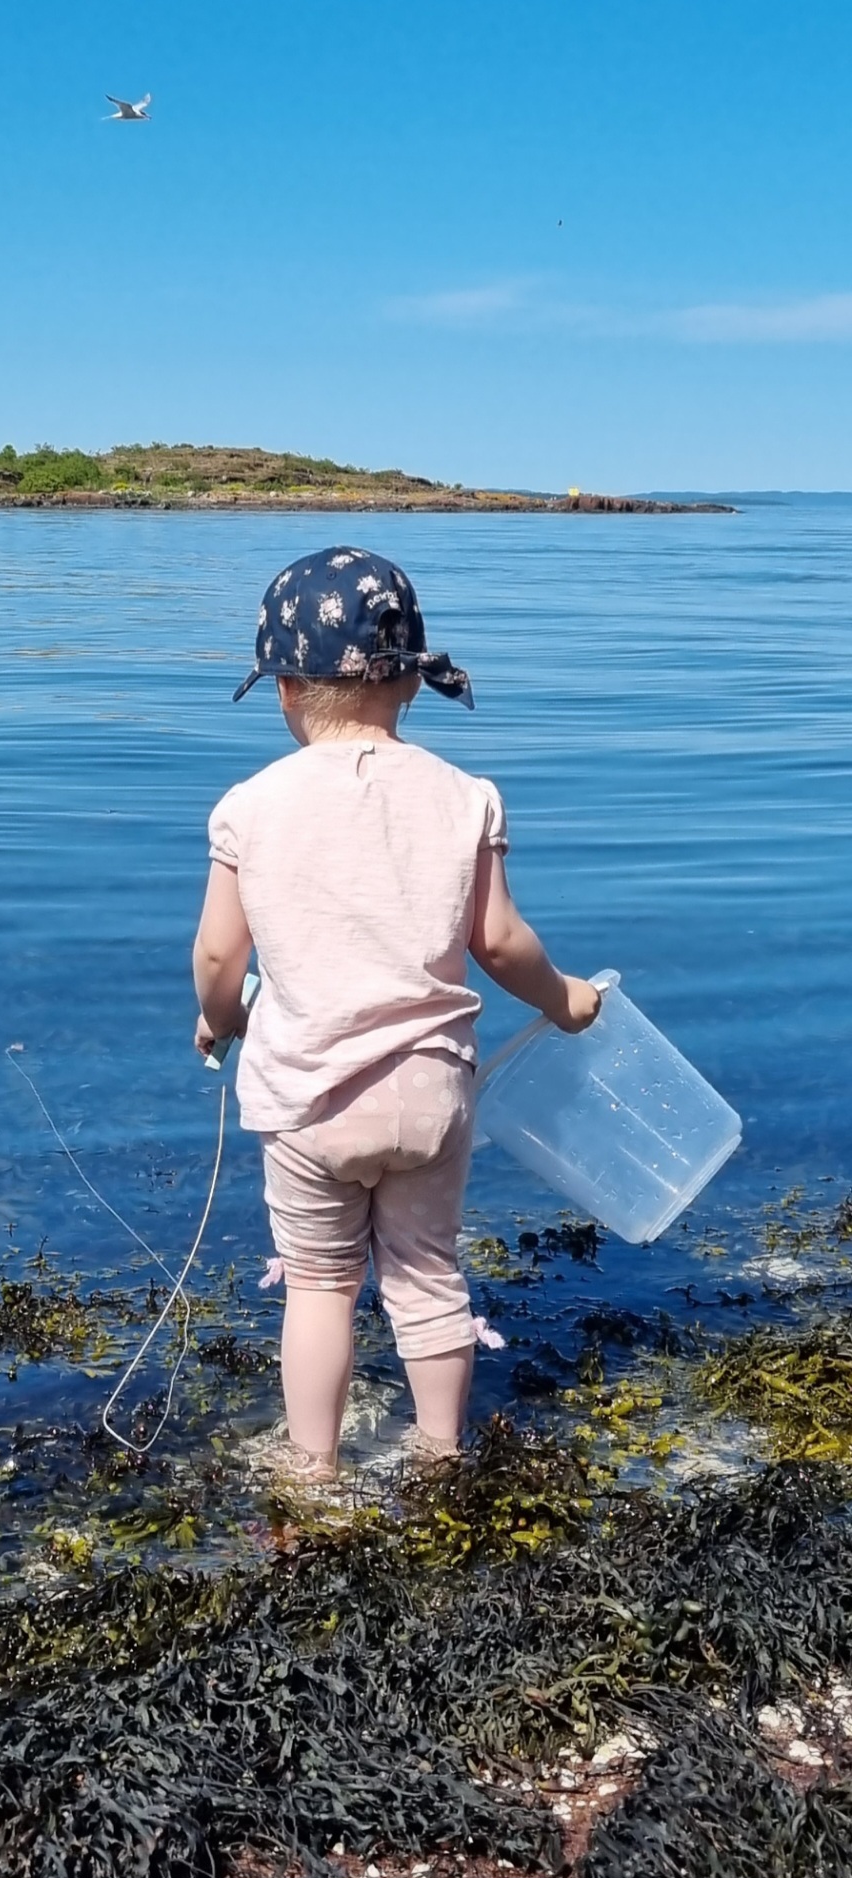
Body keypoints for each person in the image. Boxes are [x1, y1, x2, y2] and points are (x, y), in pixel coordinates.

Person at [192, 547, 599, 1483]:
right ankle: (440, 1455)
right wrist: (567, 1000)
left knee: (323, 1287)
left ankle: (312, 1467)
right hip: (430, 1097)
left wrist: (221, 1018)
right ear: (411, 681)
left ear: (288, 688)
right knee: (426, 1278)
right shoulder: (464, 796)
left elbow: (221, 957)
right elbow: (498, 943)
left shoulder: (251, 807)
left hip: (310, 1103)